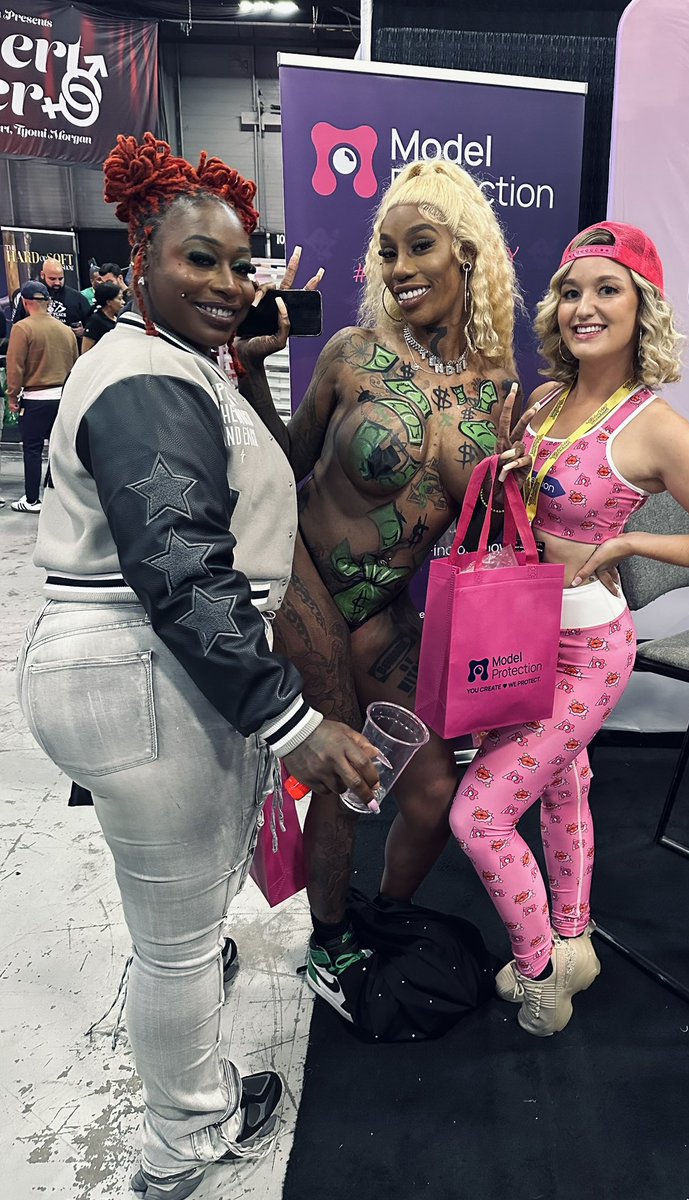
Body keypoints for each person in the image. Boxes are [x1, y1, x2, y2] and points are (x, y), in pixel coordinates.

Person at [16, 132, 381, 1200]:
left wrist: (244, 358)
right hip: (145, 665)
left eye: (239, 264)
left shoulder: (167, 364)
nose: (228, 283)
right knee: (176, 947)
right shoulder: (143, 375)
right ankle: (185, 1140)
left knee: (176, 932)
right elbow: (179, 564)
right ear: (140, 259)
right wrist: (291, 720)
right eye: (199, 260)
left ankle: (190, 1100)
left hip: (137, 667)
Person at [449, 221, 689, 1037]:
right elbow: (528, 512)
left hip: (587, 649)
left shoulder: (652, 427)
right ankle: (574, 943)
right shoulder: (543, 402)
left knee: (478, 816)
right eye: (570, 291)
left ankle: (540, 978)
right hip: (518, 633)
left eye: (606, 290)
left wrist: (627, 543)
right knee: (563, 785)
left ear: (641, 309)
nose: (582, 308)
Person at [243, 158, 527, 1021]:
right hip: (300, 581)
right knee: (343, 769)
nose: (399, 268)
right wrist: (252, 370)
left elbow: (482, 530)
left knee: (434, 792)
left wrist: (516, 490)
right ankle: (328, 940)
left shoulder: (499, 384)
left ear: (467, 254)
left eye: (419, 246)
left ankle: (381, 914)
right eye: (388, 251)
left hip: (384, 610)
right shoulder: (352, 354)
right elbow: (285, 465)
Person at [6, 280, 78, 513]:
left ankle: (31, 499)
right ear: (48, 302)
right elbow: (75, 365)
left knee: (33, 449)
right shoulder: (66, 331)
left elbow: (15, 366)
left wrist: (12, 396)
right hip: (63, 397)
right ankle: (60, 498)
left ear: (26, 303)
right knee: (59, 451)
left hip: (35, 398)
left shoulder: (22, 328)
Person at [12, 257, 91, 335]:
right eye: (52, 279)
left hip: (68, 341)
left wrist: (84, 332)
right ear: (42, 275)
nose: (57, 283)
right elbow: (17, 325)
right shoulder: (30, 297)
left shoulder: (77, 298)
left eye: (60, 279)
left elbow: (92, 326)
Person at [81, 280, 126, 351]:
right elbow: (85, 350)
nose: (123, 302)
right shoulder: (95, 321)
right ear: (108, 302)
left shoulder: (119, 318)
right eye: (119, 299)